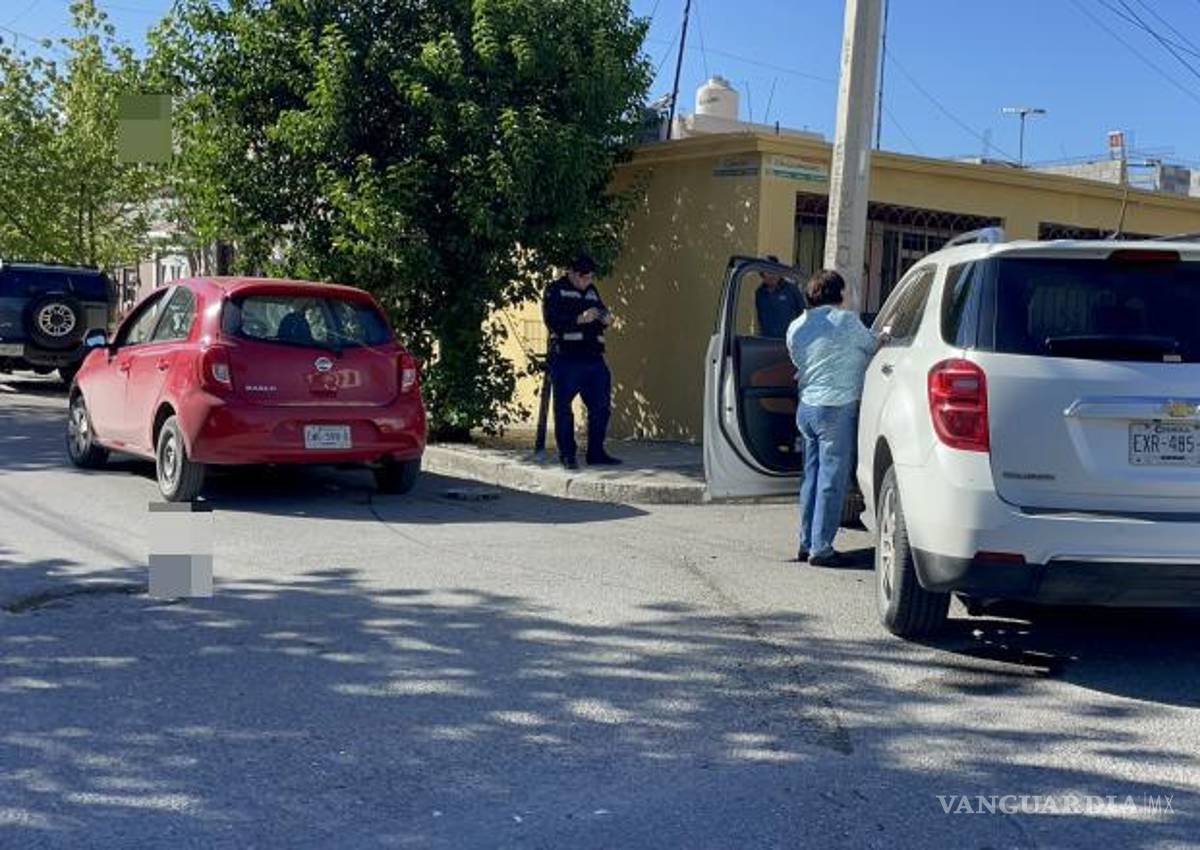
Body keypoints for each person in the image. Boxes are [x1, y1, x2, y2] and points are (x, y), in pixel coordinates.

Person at [786, 269, 887, 566]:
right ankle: (822, 549)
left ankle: (806, 542)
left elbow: (796, 358)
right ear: (839, 294)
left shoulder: (796, 326)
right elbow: (871, 346)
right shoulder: (846, 321)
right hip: (836, 408)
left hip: (806, 408)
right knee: (832, 480)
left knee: (811, 478)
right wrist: (884, 335)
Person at [542, 254, 622, 470]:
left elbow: (601, 312)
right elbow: (553, 321)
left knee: (601, 407)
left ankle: (596, 452)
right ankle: (568, 455)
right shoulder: (555, 290)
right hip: (567, 357)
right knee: (563, 409)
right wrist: (579, 318)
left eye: (590, 277)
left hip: (593, 358)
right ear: (572, 273)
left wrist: (606, 318)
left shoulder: (591, 291)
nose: (587, 282)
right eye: (584, 277)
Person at [754, 255, 805, 339]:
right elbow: (759, 319)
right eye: (768, 272)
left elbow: (803, 314)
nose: (772, 275)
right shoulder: (759, 293)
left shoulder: (791, 290)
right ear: (762, 274)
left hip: (788, 341)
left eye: (774, 271)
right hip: (766, 342)